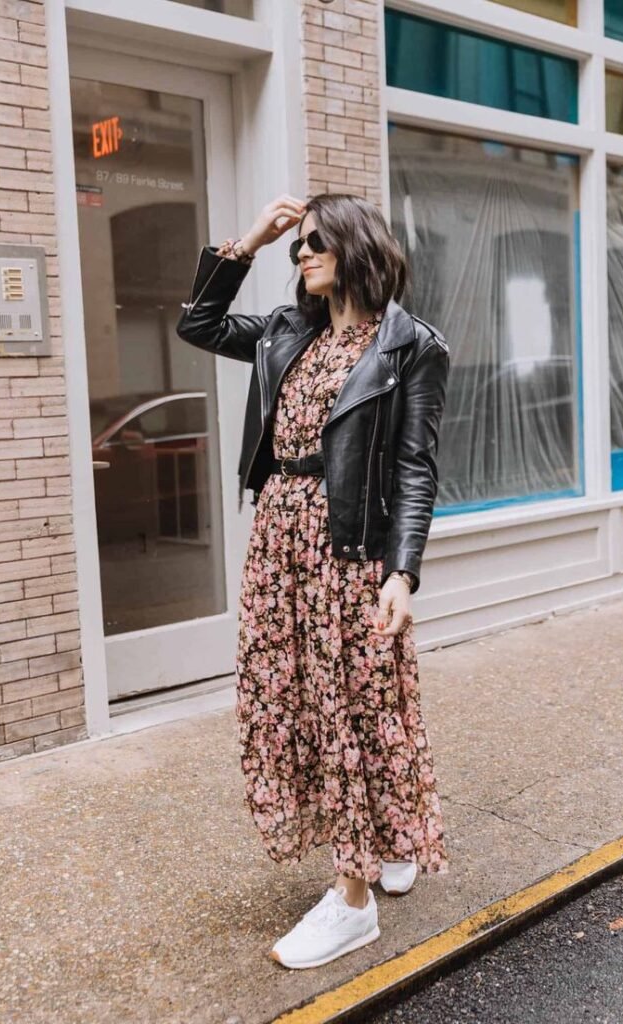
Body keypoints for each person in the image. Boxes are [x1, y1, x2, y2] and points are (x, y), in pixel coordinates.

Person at [177, 193, 450, 970]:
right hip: (279, 539)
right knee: (297, 698)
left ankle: (353, 900)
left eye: (312, 243)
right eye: (295, 246)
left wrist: (402, 571)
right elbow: (196, 324)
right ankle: (385, 838)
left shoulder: (408, 347)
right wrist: (251, 241)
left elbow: (413, 466)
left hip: (347, 546)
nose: (300, 255)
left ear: (357, 245)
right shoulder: (285, 331)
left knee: (353, 707)